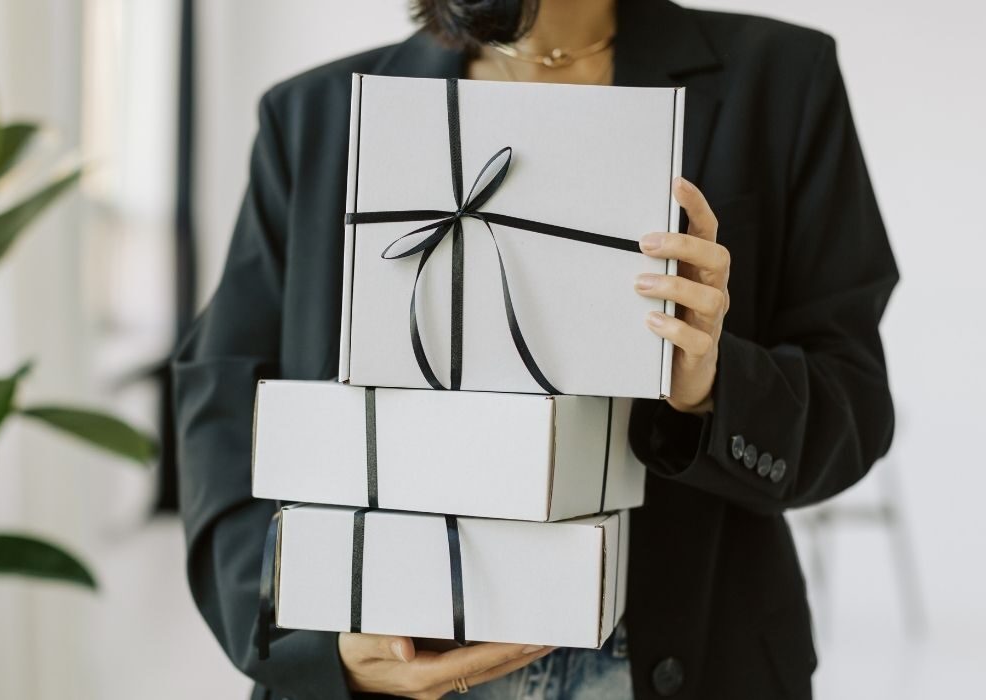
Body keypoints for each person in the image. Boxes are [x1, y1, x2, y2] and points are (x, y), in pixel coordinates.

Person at [173, 0, 898, 697]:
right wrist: (311, 641)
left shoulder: (780, 79)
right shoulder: (315, 116)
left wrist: (711, 384)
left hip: (680, 653)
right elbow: (223, 412)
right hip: (398, 655)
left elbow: (852, 401)